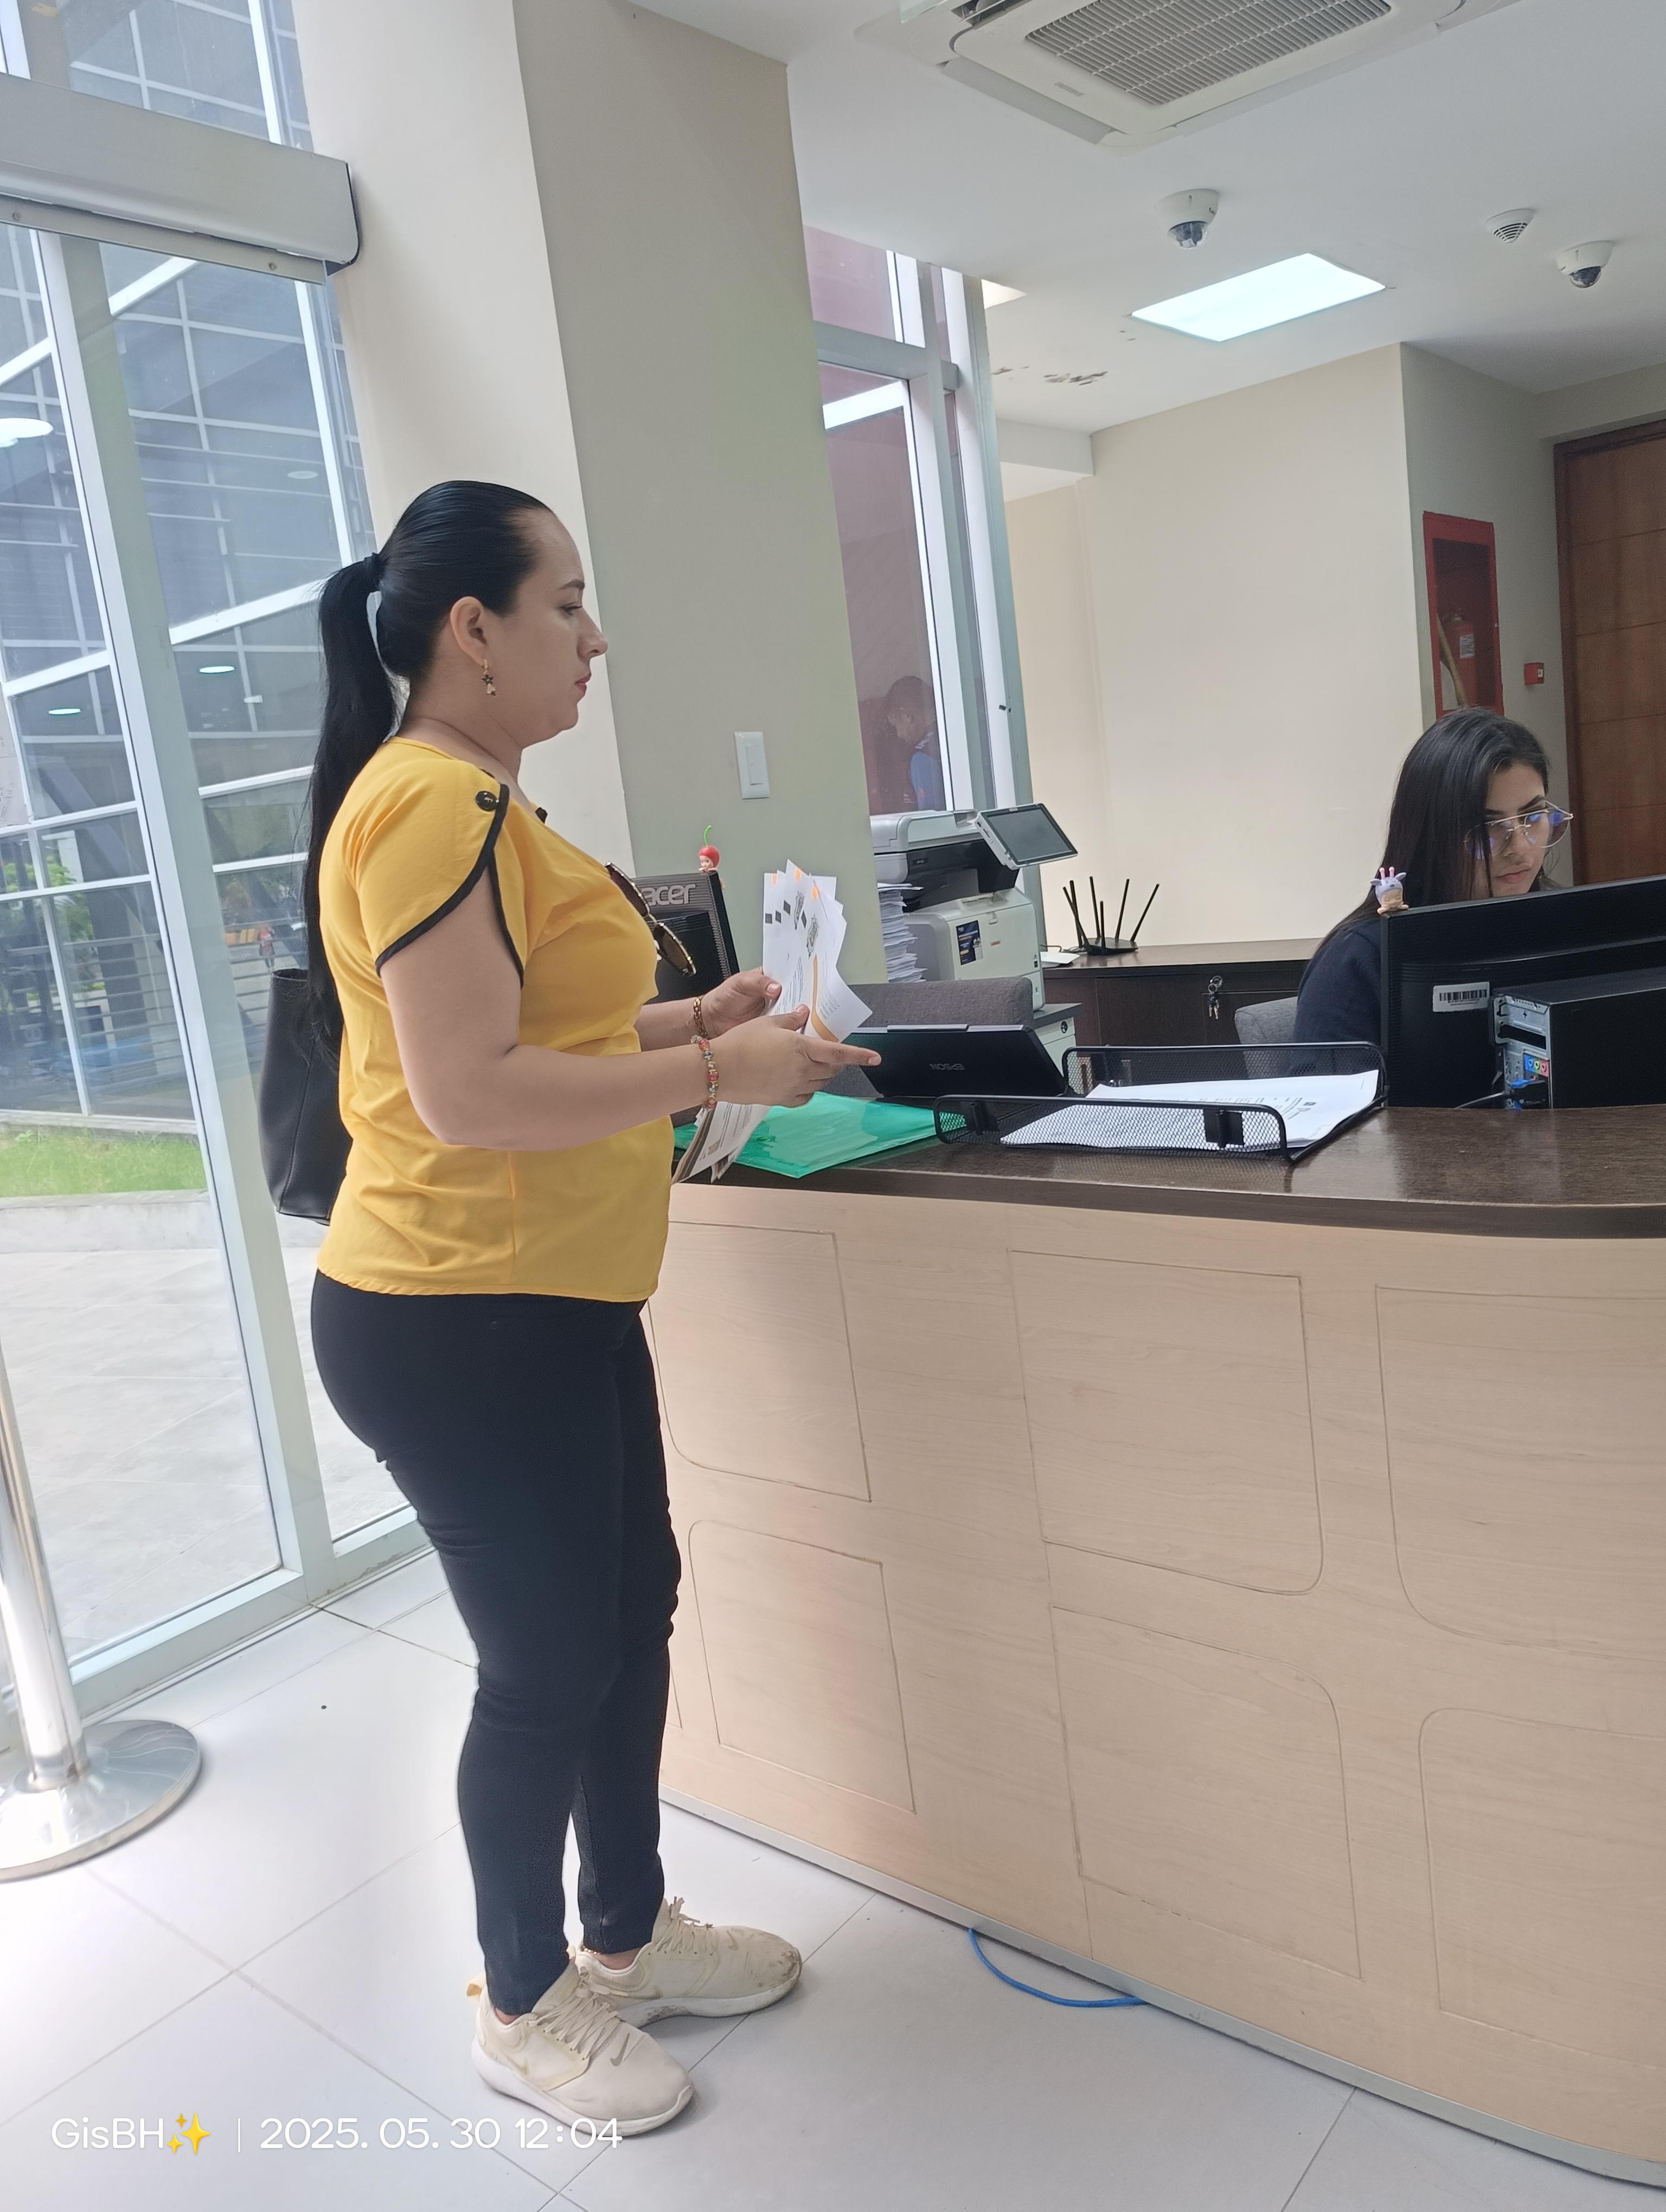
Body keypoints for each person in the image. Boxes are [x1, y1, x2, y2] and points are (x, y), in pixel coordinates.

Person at [303, 480, 880, 2137]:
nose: (595, 637)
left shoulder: (492, 806)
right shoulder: (429, 805)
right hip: (456, 1314)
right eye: (566, 603)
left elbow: (537, 1038)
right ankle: (521, 1998)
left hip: (553, 1300)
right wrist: (711, 1069)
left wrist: (694, 1020)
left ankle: (625, 1934)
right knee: (547, 1660)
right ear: (472, 630)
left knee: (634, 1611)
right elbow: (469, 1092)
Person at [1295, 708, 1572, 1047]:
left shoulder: (1560, 926)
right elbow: (1329, 1081)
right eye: (1487, 827)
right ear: (1432, 837)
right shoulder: (1359, 960)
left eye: (1532, 816)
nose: (1519, 848)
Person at [884, 673, 945, 811]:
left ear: (907, 716)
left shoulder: (922, 758)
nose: (898, 734)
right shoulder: (952, 738)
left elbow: (931, 819)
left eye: (896, 725)